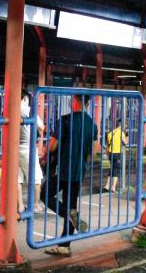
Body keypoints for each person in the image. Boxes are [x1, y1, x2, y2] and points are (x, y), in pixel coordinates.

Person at [41, 94, 98, 256]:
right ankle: (64, 246)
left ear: (74, 101)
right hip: (79, 171)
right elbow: (94, 150)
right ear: (87, 103)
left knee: (45, 194)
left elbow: (52, 146)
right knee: (71, 204)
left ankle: (69, 215)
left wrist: (45, 150)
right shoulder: (92, 125)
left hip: (62, 169)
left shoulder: (65, 120)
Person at [18, 89, 45, 213]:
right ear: (25, 98)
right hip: (28, 149)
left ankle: (20, 206)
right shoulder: (28, 110)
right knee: (36, 178)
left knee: (17, 179)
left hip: (13, 149)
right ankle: (35, 204)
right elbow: (42, 126)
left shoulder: (9, 110)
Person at [103, 119, 127, 194]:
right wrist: (127, 136)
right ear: (122, 125)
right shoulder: (121, 133)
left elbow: (107, 145)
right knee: (116, 170)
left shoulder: (110, 133)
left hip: (111, 154)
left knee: (112, 169)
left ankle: (107, 185)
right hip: (117, 154)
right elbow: (125, 142)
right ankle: (113, 187)